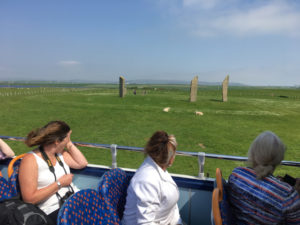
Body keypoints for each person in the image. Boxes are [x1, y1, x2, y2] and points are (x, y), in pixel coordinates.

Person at [18, 121, 88, 224]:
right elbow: (29, 199)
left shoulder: (60, 153)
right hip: (53, 210)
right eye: (67, 138)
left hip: (73, 200)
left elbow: (82, 163)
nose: (68, 141)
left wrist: (68, 143)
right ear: (56, 141)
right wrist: (59, 184)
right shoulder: (30, 160)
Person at [228, 131, 300, 224]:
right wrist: (295, 198)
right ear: (279, 159)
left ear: (253, 152)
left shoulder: (237, 174)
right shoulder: (288, 195)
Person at [122, 130, 182, 225]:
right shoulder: (147, 181)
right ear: (170, 160)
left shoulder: (159, 169)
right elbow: (145, 223)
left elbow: (172, 205)